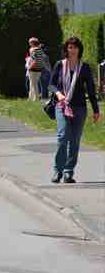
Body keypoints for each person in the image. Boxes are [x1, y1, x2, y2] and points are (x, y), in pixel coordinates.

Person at [47, 36, 101, 184]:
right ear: (66, 49)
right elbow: (51, 84)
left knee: (75, 141)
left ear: (79, 49)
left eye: (75, 47)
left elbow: (91, 90)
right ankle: (57, 171)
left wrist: (96, 110)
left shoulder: (84, 67)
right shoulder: (59, 65)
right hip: (62, 106)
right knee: (63, 137)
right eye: (70, 47)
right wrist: (58, 94)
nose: (73, 50)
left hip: (79, 108)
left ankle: (68, 172)